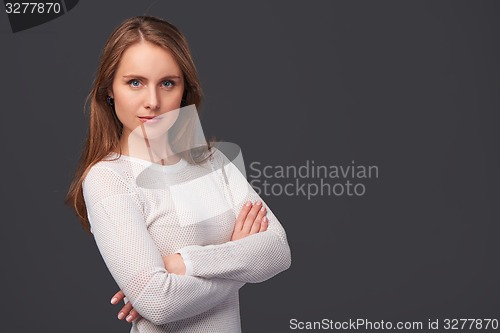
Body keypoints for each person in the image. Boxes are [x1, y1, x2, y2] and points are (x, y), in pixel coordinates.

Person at [65, 15, 291, 333]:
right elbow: (160, 303)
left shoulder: (215, 163)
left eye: (167, 83)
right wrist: (240, 260)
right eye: (135, 82)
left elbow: (278, 250)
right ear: (109, 90)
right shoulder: (108, 179)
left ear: (184, 90)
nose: (153, 102)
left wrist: (182, 264)